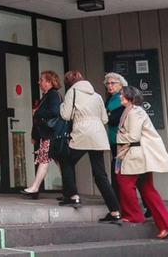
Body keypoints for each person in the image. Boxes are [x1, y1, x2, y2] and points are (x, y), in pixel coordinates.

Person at [59, 70, 122, 222]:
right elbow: (105, 119)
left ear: (69, 83)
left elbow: (65, 115)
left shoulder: (71, 92)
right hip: (98, 135)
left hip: (82, 132)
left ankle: (73, 196)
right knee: (100, 174)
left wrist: (63, 106)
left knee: (66, 160)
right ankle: (115, 211)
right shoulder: (97, 95)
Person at [115, 86, 168, 239]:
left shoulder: (135, 112)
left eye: (122, 95)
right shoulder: (132, 111)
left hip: (136, 155)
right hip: (139, 155)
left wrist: (118, 137)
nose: (120, 97)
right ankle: (166, 223)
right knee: (147, 188)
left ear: (130, 96)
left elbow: (133, 136)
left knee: (124, 182)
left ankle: (135, 215)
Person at [20, 71, 62, 199]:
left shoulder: (52, 95)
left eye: (42, 80)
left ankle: (35, 187)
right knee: (60, 162)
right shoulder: (48, 95)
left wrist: (37, 113)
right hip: (52, 134)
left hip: (50, 134)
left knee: (44, 159)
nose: (39, 82)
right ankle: (71, 191)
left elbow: (54, 111)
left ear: (49, 82)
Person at [103, 72, 128, 181]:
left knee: (119, 166)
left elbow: (113, 119)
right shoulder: (110, 99)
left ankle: (118, 195)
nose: (109, 85)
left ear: (121, 84)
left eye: (113, 83)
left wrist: (108, 115)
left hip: (123, 139)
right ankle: (117, 195)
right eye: (107, 83)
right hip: (114, 138)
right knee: (116, 165)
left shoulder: (123, 98)